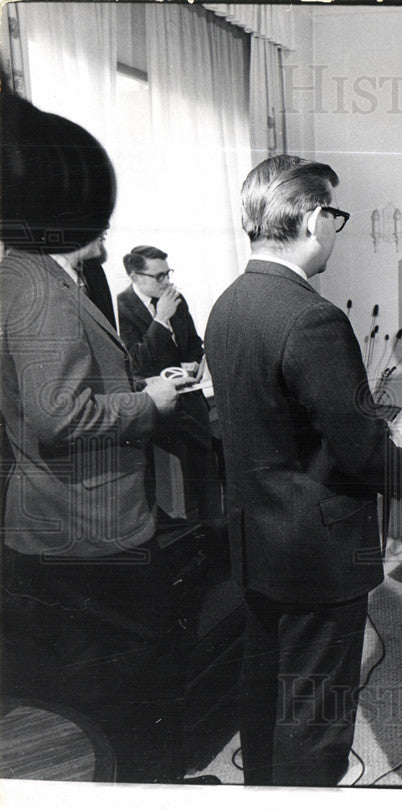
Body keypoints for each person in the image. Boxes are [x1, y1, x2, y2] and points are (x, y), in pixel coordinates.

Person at [204, 156, 402, 787]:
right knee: (315, 714)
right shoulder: (313, 317)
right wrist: (396, 442)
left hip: (256, 540)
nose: (337, 233)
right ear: (316, 219)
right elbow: (361, 452)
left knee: (265, 692)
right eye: (337, 218)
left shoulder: (228, 304)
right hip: (318, 554)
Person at [0, 90, 186, 781]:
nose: (108, 229)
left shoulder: (25, 275)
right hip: (89, 525)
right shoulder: (43, 289)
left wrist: (137, 383)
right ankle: (139, 785)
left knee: (81, 683)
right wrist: (152, 403)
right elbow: (57, 414)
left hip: (54, 522)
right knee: (131, 677)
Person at [118, 245, 219, 518]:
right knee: (173, 487)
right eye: (158, 276)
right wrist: (161, 318)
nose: (167, 281)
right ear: (135, 277)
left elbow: (193, 344)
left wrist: (194, 361)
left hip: (192, 403)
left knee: (206, 471)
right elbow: (136, 363)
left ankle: (214, 535)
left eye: (167, 273)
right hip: (158, 411)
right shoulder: (121, 308)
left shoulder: (177, 299)